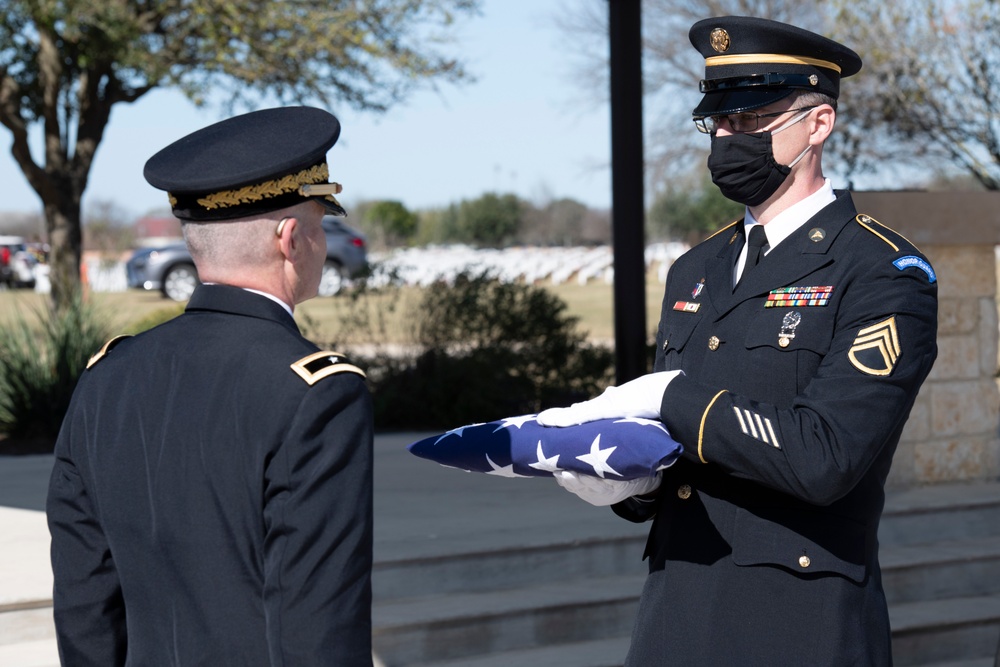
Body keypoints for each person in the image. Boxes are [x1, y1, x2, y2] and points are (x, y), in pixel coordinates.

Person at [538, 16, 938, 666]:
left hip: (798, 627)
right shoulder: (694, 270)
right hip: (676, 616)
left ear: (818, 124)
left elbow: (825, 454)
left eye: (751, 121)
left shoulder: (882, 271)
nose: (728, 138)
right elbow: (683, 459)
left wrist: (675, 400)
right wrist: (625, 479)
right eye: (718, 122)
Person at [46, 107, 375, 666]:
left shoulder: (107, 377)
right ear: (290, 239)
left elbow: (85, 599)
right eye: (320, 223)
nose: (322, 241)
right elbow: (318, 624)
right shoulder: (318, 393)